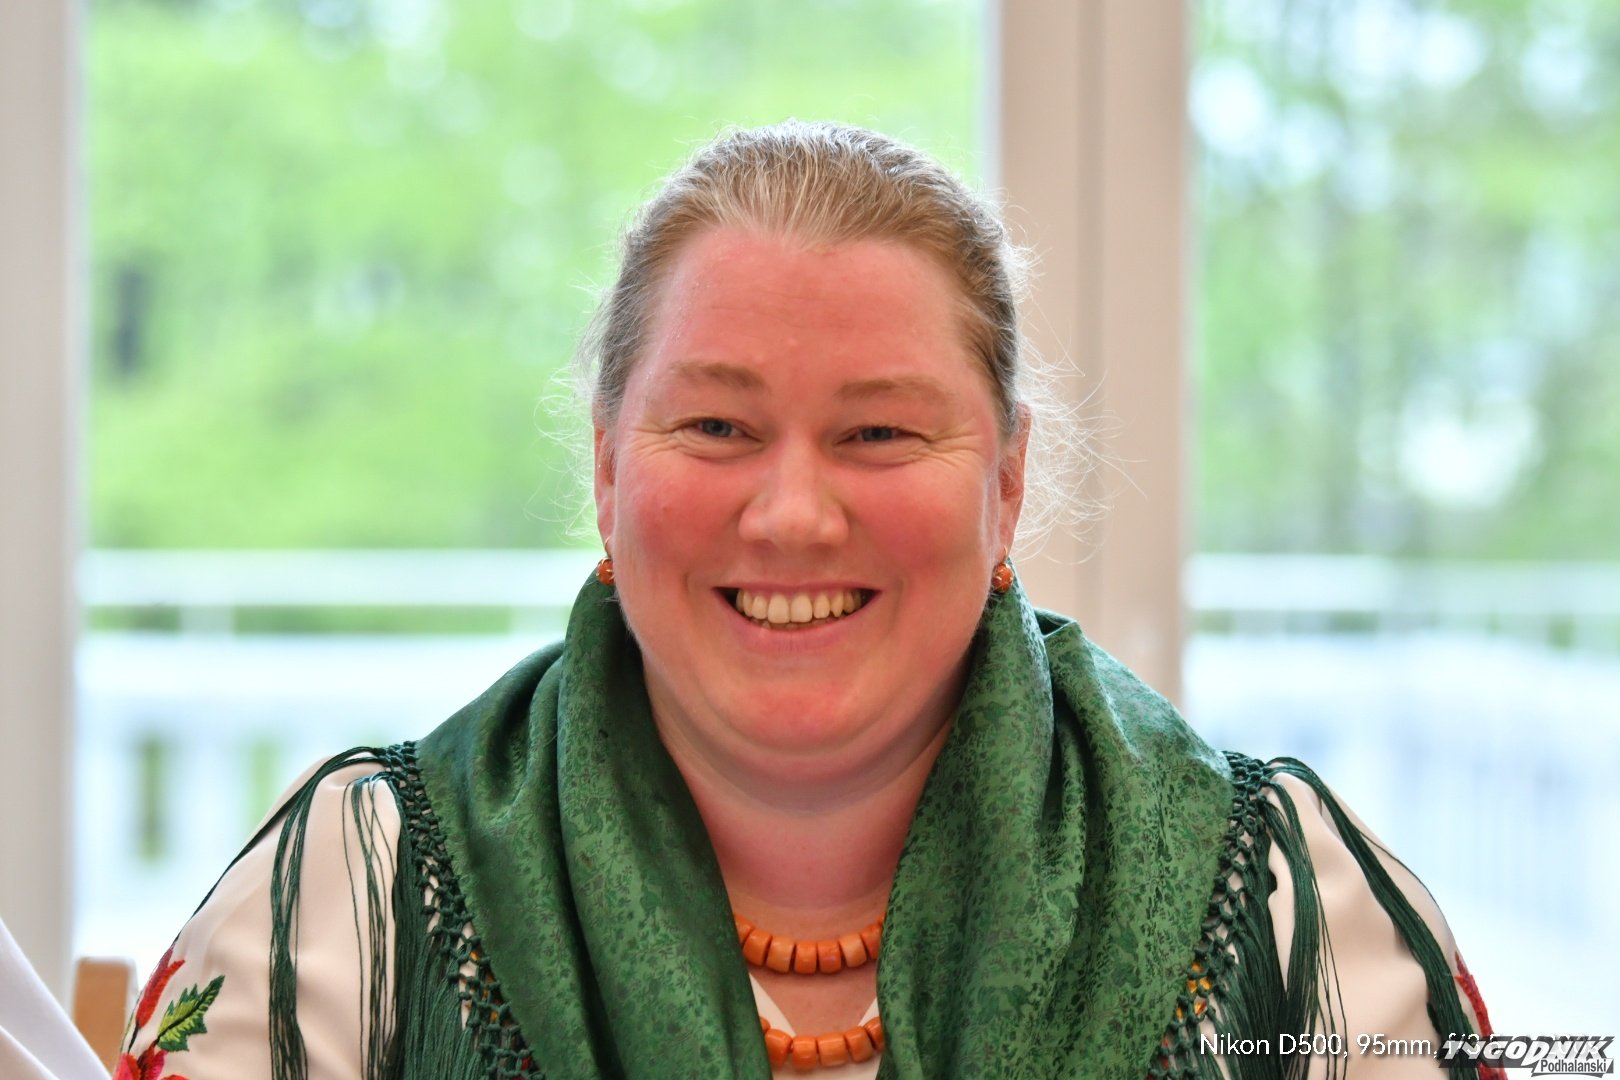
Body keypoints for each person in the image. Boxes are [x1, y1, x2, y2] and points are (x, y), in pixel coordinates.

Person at [120, 121, 1499, 1079]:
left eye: (879, 433)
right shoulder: (351, 898)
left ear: (1008, 483)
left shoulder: (1287, 909)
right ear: (606, 471)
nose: (791, 514)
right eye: (716, 427)